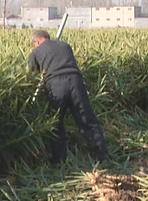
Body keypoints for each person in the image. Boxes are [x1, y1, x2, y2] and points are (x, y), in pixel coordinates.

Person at [27, 29, 108, 164]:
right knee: (87, 120)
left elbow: (31, 71)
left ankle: (59, 162)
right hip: (76, 82)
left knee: (56, 123)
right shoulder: (64, 45)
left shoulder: (36, 51)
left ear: (37, 41)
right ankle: (102, 156)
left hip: (56, 86)